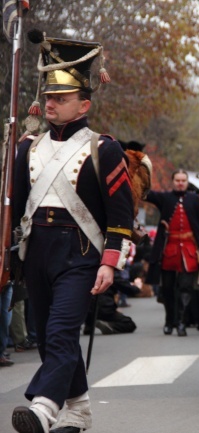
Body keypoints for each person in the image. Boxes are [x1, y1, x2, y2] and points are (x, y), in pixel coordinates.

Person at [10, 33, 133, 433]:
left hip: (81, 255)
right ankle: (78, 410)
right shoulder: (27, 148)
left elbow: (120, 216)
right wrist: (11, 256)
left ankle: (44, 408)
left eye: (60, 98)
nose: (50, 103)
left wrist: (110, 263)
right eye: (48, 96)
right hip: (38, 252)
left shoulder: (104, 149)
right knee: (47, 337)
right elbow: (15, 210)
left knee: (62, 332)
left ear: (84, 103)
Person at [145, 169, 199, 336]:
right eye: (177, 180)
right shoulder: (165, 198)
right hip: (169, 249)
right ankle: (169, 321)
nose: (180, 183)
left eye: (183, 180)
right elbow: (145, 193)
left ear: (187, 182)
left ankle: (182, 322)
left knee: (186, 287)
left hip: (189, 249)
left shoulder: (194, 199)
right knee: (168, 289)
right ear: (173, 181)